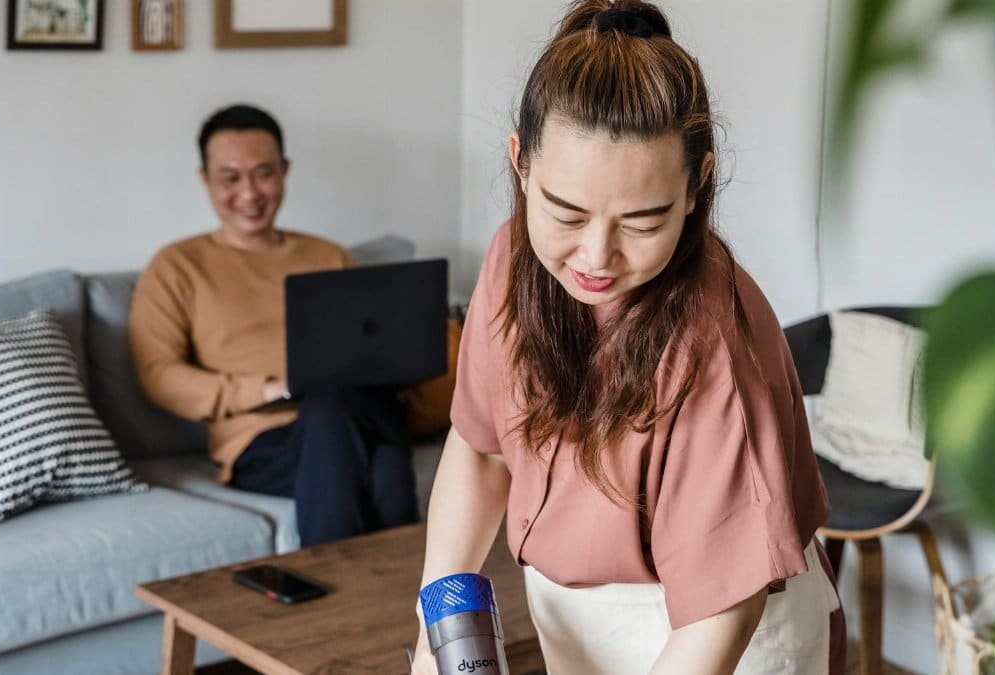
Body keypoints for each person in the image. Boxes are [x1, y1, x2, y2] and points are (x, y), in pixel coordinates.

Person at [411, 2, 844, 674]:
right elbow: (480, 451)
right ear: (520, 163)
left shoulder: (713, 346)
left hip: (718, 633)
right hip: (569, 615)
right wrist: (433, 631)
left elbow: (720, 613)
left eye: (642, 223)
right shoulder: (511, 258)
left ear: (696, 187)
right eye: (566, 212)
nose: (595, 256)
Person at [130, 104, 419, 547]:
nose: (249, 193)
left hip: (353, 411)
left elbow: (371, 350)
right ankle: (403, 603)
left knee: (342, 411)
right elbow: (158, 376)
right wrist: (270, 388)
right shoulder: (177, 267)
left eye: (263, 174)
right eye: (230, 177)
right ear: (205, 179)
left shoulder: (327, 256)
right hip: (262, 442)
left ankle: (352, 606)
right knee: (381, 460)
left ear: (284, 171)